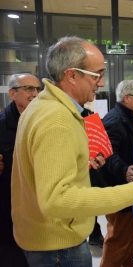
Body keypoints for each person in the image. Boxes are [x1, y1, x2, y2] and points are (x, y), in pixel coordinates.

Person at [11, 36, 133, 267]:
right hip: (58, 247)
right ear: (72, 75)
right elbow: (57, 199)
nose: (102, 83)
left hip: (47, 239)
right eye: (98, 74)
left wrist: (80, 162)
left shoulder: (44, 107)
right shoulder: (57, 118)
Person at [100, 80, 133, 267]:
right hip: (118, 186)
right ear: (127, 98)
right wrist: (124, 170)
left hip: (132, 186)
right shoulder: (114, 120)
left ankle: (127, 263)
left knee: (131, 230)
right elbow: (108, 153)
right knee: (118, 236)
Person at [0, 73, 41, 267]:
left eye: (38, 89)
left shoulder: (42, 123)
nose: (35, 94)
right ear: (12, 94)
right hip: (8, 218)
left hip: (39, 214)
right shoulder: (1, 126)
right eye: (29, 89)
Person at [80, 107, 107, 249]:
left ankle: (95, 234)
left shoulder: (87, 114)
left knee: (92, 205)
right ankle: (94, 234)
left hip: (92, 170)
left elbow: (100, 143)